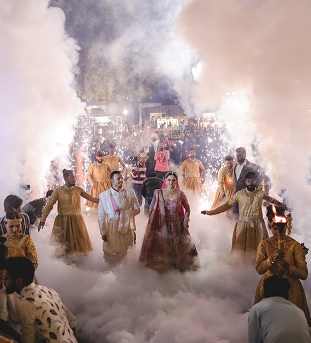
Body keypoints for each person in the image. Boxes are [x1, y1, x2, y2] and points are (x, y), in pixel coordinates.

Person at [201, 172, 284, 260]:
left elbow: (271, 200)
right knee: (241, 251)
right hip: (243, 225)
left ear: (256, 181)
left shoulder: (260, 193)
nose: (251, 183)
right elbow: (226, 206)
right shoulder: (239, 194)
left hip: (258, 225)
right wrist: (210, 212)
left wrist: (281, 205)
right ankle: (241, 269)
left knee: (260, 249)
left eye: (253, 180)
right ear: (245, 182)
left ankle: (259, 268)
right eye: (248, 181)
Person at [254, 205, 311, 325]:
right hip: (269, 287)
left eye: (282, 228)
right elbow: (259, 269)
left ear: (286, 227)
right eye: (275, 228)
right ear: (270, 227)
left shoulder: (295, 246)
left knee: (291, 326)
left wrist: (288, 268)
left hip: (291, 290)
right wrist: (271, 259)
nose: (279, 232)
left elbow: (304, 274)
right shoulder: (264, 244)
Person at [3, 256, 78, 343]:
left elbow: (28, 340)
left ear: (18, 281)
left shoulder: (26, 304)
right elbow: (72, 322)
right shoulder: (49, 291)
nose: (3, 282)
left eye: (6, 279)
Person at [139, 171, 199, 272]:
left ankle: (176, 266)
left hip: (177, 224)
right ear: (165, 181)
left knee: (177, 244)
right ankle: (164, 267)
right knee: (163, 244)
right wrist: (154, 220)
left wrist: (185, 221)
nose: (171, 182)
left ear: (176, 181)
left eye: (173, 180)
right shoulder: (159, 193)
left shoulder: (180, 194)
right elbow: (151, 208)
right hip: (163, 223)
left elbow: (188, 208)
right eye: (169, 180)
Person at [38, 169, 99, 257]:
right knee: (63, 249)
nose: (74, 179)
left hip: (77, 222)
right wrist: (43, 219)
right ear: (65, 179)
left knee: (79, 248)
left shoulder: (78, 189)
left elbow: (92, 199)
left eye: (74, 177)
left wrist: (107, 200)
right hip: (63, 222)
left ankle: (79, 266)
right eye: (71, 178)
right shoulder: (58, 190)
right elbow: (49, 205)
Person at [248, 275, 311, 343]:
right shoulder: (299, 311)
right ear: (287, 292)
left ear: (265, 291)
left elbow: (254, 340)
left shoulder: (257, 308)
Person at [98, 171, 140, 264]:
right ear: (112, 181)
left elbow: (137, 209)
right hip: (111, 228)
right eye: (118, 179)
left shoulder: (130, 193)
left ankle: (125, 274)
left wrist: (126, 214)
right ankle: (112, 275)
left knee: (127, 252)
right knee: (113, 252)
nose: (121, 180)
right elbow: (101, 215)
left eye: (121, 178)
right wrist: (103, 232)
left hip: (126, 227)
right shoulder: (105, 195)